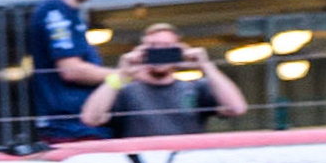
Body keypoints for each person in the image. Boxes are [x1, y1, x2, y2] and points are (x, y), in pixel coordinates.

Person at [77, 23, 246, 137]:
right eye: (153, 47)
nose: (159, 52)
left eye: (167, 48)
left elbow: (237, 108)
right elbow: (91, 118)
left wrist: (206, 66)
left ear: (179, 50)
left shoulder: (195, 88)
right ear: (142, 51)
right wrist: (121, 73)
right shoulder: (124, 91)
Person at [28, 0, 110, 144]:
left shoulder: (69, 13)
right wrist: (123, 75)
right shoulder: (55, 12)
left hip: (79, 127)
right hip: (70, 129)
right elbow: (71, 70)